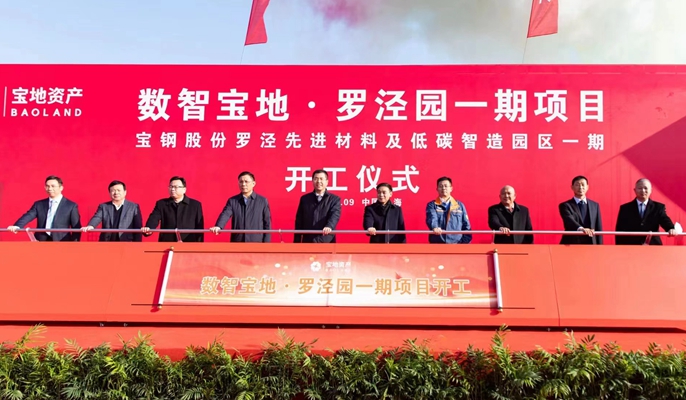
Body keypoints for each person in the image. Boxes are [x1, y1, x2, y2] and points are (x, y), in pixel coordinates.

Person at [7, 175, 81, 241]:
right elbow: (28, 215)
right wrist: (17, 226)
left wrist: (74, 245)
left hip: (61, 242)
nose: (50, 188)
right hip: (41, 241)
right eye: (47, 186)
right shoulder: (39, 204)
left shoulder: (71, 206)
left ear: (61, 188)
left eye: (53, 186)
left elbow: (76, 228)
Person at [209, 171, 272, 242]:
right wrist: (218, 226)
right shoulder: (233, 201)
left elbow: (267, 224)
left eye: (246, 181)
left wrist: (266, 243)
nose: (243, 184)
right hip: (238, 241)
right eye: (241, 182)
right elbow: (225, 214)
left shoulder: (262, 201)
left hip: (256, 242)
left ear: (253, 183)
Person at [615, 178, 677, 245]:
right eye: (640, 188)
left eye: (645, 188)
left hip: (653, 246)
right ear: (635, 190)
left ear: (651, 190)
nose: (643, 190)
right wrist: (620, 247)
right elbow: (619, 230)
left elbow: (664, 220)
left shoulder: (658, 207)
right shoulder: (625, 208)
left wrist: (671, 228)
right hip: (632, 246)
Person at [142, 176, 204, 242]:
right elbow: (154, 218)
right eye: (171, 187)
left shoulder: (195, 205)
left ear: (184, 189)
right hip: (167, 244)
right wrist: (149, 228)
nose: (172, 189)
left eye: (176, 187)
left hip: (188, 244)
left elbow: (199, 227)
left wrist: (199, 245)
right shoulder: (162, 204)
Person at [294, 169, 341, 243]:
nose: (318, 181)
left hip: (326, 240)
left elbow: (334, 215)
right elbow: (299, 221)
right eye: (316, 179)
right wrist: (296, 242)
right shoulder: (305, 199)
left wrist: (329, 226)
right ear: (312, 181)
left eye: (321, 179)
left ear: (327, 182)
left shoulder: (334, 199)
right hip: (308, 241)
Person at [425, 176, 472, 244]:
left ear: (451, 188)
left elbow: (466, 226)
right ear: (437, 189)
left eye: (446, 186)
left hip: (456, 243)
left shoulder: (459, 205)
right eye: (441, 186)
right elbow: (432, 218)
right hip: (438, 243)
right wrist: (435, 227)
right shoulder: (432, 205)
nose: (443, 188)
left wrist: (463, 243)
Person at [559, 175, 603, 245]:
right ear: (572, 187)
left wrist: (600, 246)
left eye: (583, 185)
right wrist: (581, 229)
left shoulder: (595, 205)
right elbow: (569, 220)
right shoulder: (565, 205)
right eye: (577, 185)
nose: (580, 187)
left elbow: (598, 227)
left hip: (591, 243)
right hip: (571, 243)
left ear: (587, 187)